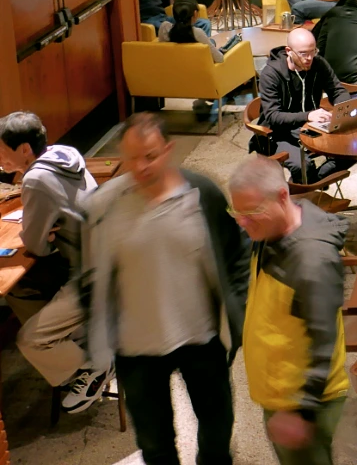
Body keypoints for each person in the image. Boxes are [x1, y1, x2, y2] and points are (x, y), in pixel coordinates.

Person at [83, 113, 249, 465]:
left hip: (201, 339)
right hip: (136, 348)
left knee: (217, 434)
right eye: (133, 158)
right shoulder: (105, 205)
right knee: (156, 447)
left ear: (168, 150)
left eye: (151, 156)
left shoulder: (202, 194)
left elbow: (236, 254)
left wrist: (238, 315)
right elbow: (91, 272)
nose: (141, 166)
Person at [229, 154, 349, 465]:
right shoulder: (268, 230)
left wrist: (302, 412)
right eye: (237, 212)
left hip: (303, 405)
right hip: (281, 396)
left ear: (282, 197)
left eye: (251, 212)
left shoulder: (311, 260)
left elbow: (323, 340)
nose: (243, 222)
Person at [0, 112, 102, 411]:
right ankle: (75, 338)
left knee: (29, 339)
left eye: (1, 150)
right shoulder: (63, 154)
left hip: (93, 276)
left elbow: (36, 246)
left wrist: (41, 234)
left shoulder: (36, 179)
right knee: (20, 289)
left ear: (24, 149)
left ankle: (92, 366)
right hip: (102, 257)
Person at [258, 28, 354, 183]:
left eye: (313, 51)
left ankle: (313, 183)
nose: (309, 58)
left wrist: (342, 109)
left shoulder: (318, 64)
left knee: (352, 149)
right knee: (303, 166)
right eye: (303, 53)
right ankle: (307, 188)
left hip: (313, 127)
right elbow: (273, 116)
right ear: (289, 51)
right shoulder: (271, 74)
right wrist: (308, 115)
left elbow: (337, 90)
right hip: (280, 133)